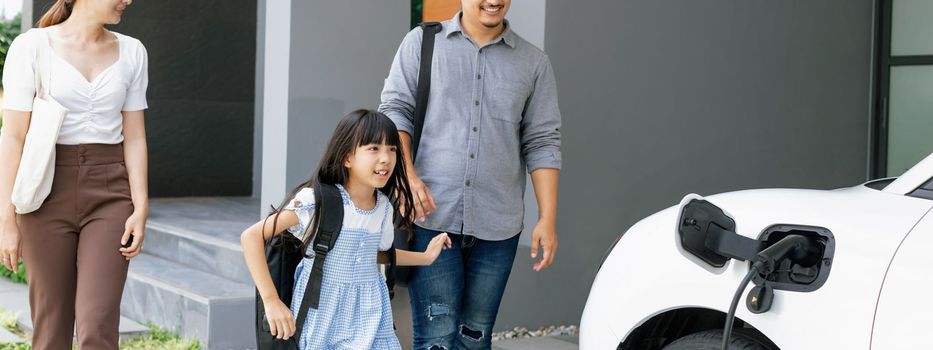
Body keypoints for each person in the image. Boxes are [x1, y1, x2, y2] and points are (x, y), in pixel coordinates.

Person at [379, 0, 562, 348]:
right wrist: (409, 176)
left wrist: (547, 217)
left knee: (475, 337)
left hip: (498, 226)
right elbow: (394, 111)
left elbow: (543, 142)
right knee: (435, 339)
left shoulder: (533, 63)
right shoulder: (422, 42)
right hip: (430, 217)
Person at [0, 0, 149, 348]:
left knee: (97, 322)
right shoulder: (32, 47)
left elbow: (136, 136)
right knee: (51, 326)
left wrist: (141, 206)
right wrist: (6, 218)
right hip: (45, 191)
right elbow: (13, 136)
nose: (128, 0)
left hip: (111, 191)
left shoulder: (133, 51)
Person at [240, 109, 453, 349]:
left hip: (371, 314)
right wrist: (271, 301)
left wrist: (425, 258)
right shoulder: (318, 201)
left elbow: (371, 254)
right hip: (324, 315)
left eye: (392, 149)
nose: (386, 158)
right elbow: (251, 237)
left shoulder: (383, 207)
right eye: (373, 148)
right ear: (347, 157)